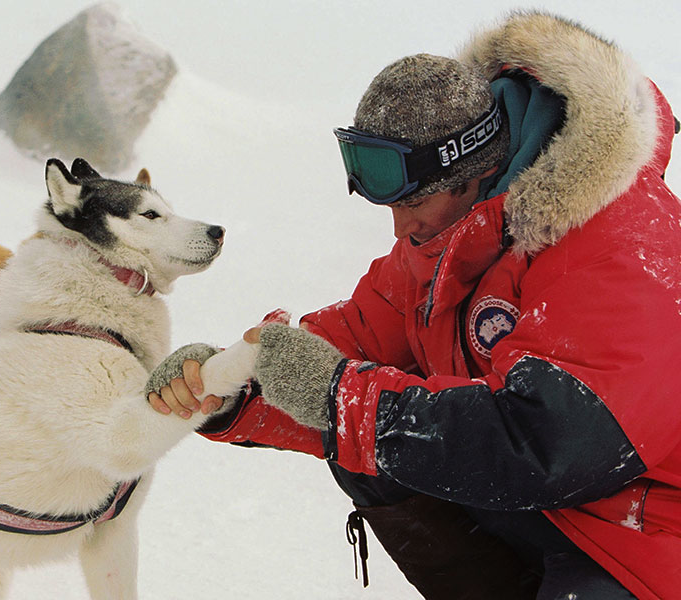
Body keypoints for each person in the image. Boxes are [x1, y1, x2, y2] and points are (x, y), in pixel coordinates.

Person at [146, 11, 681, 600]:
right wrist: (234, 387)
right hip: (557, 509)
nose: (399, 227)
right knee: (365, 445)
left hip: (643, 534)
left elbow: (555, 444)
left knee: (368, 421)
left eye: (414, 202)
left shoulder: (617, 240)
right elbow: (353, 339)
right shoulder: (450, 237)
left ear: (470, 171)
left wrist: (344, 399)